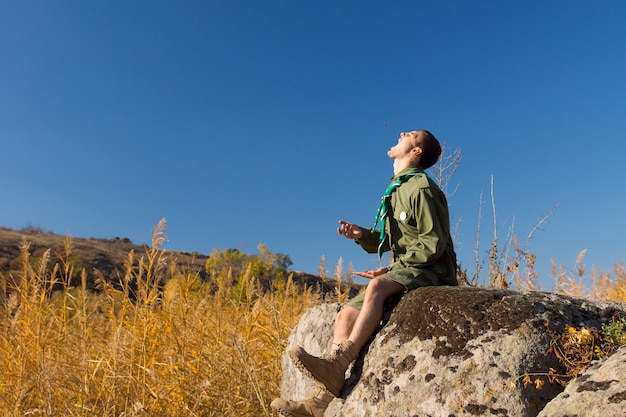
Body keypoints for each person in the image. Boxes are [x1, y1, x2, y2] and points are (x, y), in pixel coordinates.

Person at [271, 130, 458, 417]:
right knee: (345, 314)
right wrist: (362, 235)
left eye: (411, 134)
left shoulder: (420, 188)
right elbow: (393, 241)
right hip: (410, 267)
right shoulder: (397, 189)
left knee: (378, 287)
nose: (402, 133)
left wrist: (395, 270)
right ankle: (319, 402)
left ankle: (339, 361)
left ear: (416, 152)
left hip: (433, 270)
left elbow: (433, 242)